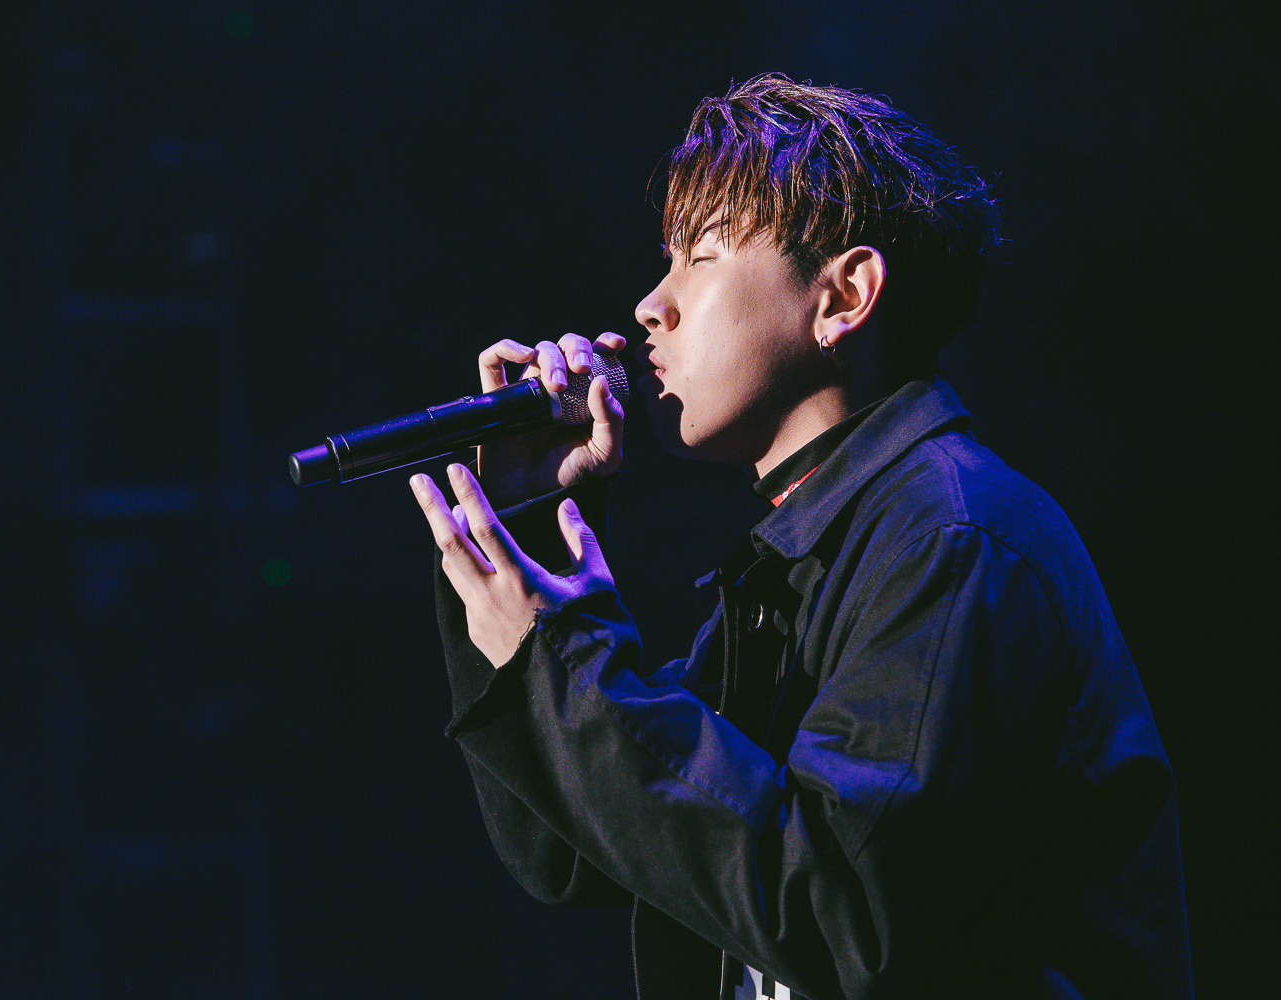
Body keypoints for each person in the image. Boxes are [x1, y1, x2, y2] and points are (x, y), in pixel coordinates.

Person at [408, 74, 1192, 1000]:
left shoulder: (952, 538)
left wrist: (562, 656)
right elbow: (569, 848)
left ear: (843, 297)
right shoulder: (808, 556)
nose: (650, 306)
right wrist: (533, 523)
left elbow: (843, 914)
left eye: (700, 256)